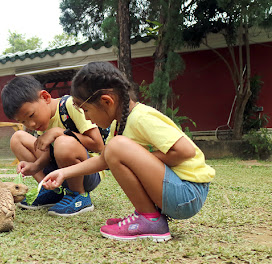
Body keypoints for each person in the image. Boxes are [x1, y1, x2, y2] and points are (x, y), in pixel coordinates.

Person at [41, 62, 215, 241]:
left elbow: (186, 151)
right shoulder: (119, 124)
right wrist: (63, 172)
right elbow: (105, 160)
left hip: (187, 193)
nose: (86, 117)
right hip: (177, 191)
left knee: (116, 147)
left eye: (85, 109)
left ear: (106, 101)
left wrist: (138, 161)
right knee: (115, 149)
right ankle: (147, 217)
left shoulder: (141, 117)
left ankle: (151, 220)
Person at [1, 75, 104, 216]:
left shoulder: (70, 106)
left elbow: (98, 145)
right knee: (17, 138)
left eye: (31, 115)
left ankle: (78, 195)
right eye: (23, 121)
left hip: (86, 172)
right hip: (59, 170)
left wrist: (59, 132)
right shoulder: (41, 121)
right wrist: (35, 166)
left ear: (45, 97)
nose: (31, 124)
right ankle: (51, 191)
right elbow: (47, 153)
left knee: (63, 141)